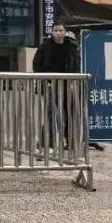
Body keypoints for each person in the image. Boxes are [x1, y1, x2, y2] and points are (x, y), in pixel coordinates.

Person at [33, 21, 80, 152]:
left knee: (69, 113)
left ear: (65, 32)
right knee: (51, 113)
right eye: (56, 30)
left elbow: (76, 64)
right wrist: (43, 79)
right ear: (52, 32)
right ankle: (46, 142)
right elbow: (36, 63)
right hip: (49, 84)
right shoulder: (45, 46)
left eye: (61, 30)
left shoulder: (71, 46)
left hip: (66, 84)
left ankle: (70, 142)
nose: (58, 33)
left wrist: (73, 79)